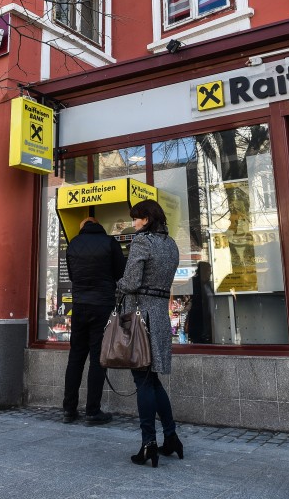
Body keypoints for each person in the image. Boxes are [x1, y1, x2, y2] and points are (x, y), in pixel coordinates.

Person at [117, 199, 181, 467]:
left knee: (142, 380)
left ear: (146, 219)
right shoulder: (171, 244)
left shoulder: (142, 242)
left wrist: (116, 284)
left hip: (140, 317)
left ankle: (149, 443)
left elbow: (131, 282)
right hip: (160, 316)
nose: (133, 223)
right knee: (152, 380)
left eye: (136, 218)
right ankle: (171, 437)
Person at [62, 215, 127, 425]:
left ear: (82, 227)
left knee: (76, 357)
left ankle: (69, 410)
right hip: (102, 306)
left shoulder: (73, 244)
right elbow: (120, 272)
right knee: (98, 359)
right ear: (99, 226)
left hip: (80, 305)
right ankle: (92, 411)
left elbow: (72, 275)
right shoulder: (109, 242)